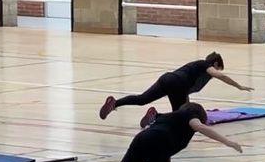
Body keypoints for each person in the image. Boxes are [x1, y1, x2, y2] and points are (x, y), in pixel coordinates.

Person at [64, 103, 243, 162]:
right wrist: (228, 142)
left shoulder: (170, 117)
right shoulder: (190, 117)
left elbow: (167, 155)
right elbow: (202, 128)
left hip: (142, 138)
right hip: (158, 143)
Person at [98, 52, 253, 125]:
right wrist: (239, 86)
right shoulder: (206, 66)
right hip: (177, 84)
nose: (217, 72)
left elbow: (186, 92)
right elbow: (219, 76)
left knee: (142, 99)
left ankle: (115, 103)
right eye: (219, 68)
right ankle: (155, 116)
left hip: (167, 78)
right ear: (216, 64)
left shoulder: (195, 67)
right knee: (179, 117)